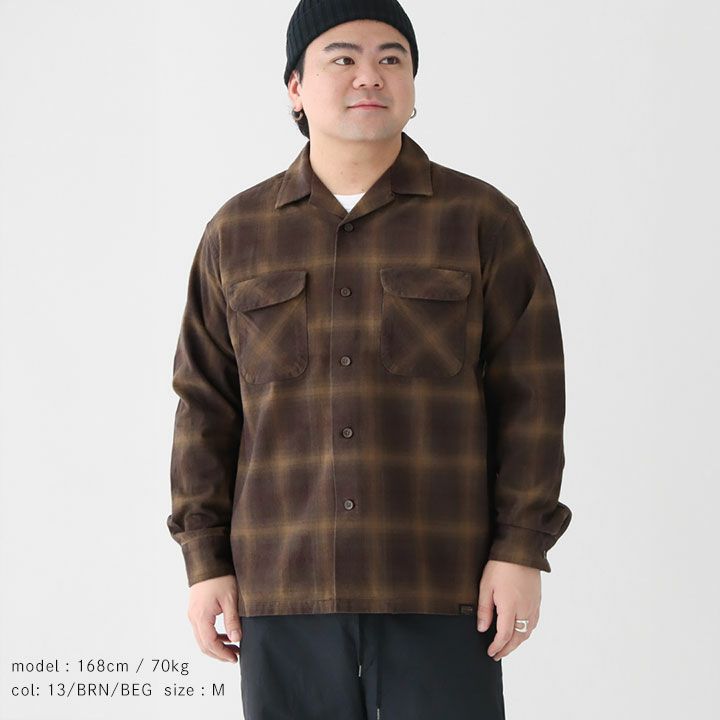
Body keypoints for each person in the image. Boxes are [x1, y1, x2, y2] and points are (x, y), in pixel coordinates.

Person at [167, 1, 573, 718]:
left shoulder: (481, 221)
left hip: (442, 583)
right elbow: (205, 407)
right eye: (343, 58)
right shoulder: (237, 234)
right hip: (281, 589)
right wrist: (204, 561)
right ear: (295, 87)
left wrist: (520, 548)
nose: (369, 75)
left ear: (413, 84)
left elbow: (532, 399)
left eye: (392, 58)